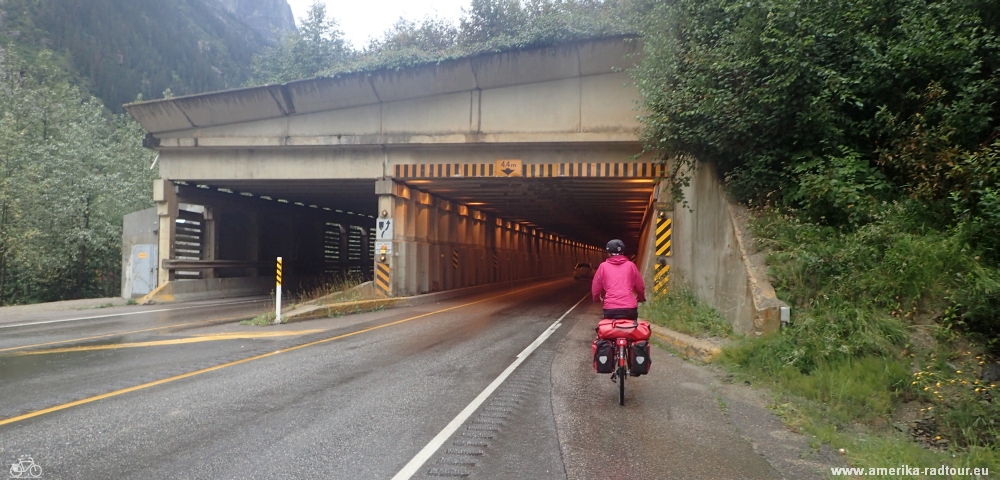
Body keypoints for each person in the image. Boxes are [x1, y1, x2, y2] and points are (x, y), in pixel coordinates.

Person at [591, 239, 646, 320]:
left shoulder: (603, 266)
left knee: (608, 330)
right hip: (629, 307)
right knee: (632, 329)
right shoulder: (631, 265)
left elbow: (596, 286)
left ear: (609, 253)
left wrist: (596, 299)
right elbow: (640, 286)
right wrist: (640, 297)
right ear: (623, 252)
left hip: (610, 308)